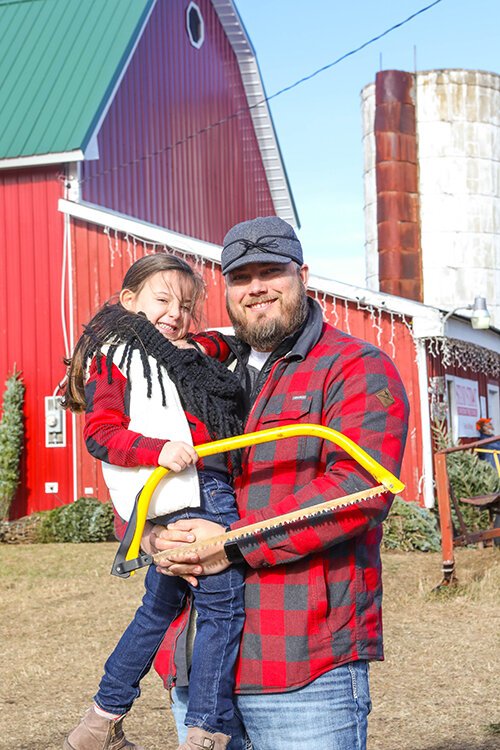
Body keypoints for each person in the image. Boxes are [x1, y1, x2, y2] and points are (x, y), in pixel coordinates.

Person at [148, 216, 410, 750]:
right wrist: (153, 538)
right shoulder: (195, 374)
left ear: (303, 275)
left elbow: (360, 489)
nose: (257, 288)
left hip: (302, 663)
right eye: (242, 277)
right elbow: (143, 468)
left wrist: (230, 544)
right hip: (199, 672)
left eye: (273, 272)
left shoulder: (354, 368)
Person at [62, 254, 246, 750]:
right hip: (193, 487)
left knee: (158, 608)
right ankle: (205, 729)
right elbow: (101, 433)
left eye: (187, 305)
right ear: (129, 301)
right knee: (223, 600)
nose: (176, 313)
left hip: (192, 488)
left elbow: (219, 341)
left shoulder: (186, 350)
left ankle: (101, 718)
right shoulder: (116, 355)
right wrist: (158, 450)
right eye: (162, 300)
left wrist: (232, 337)